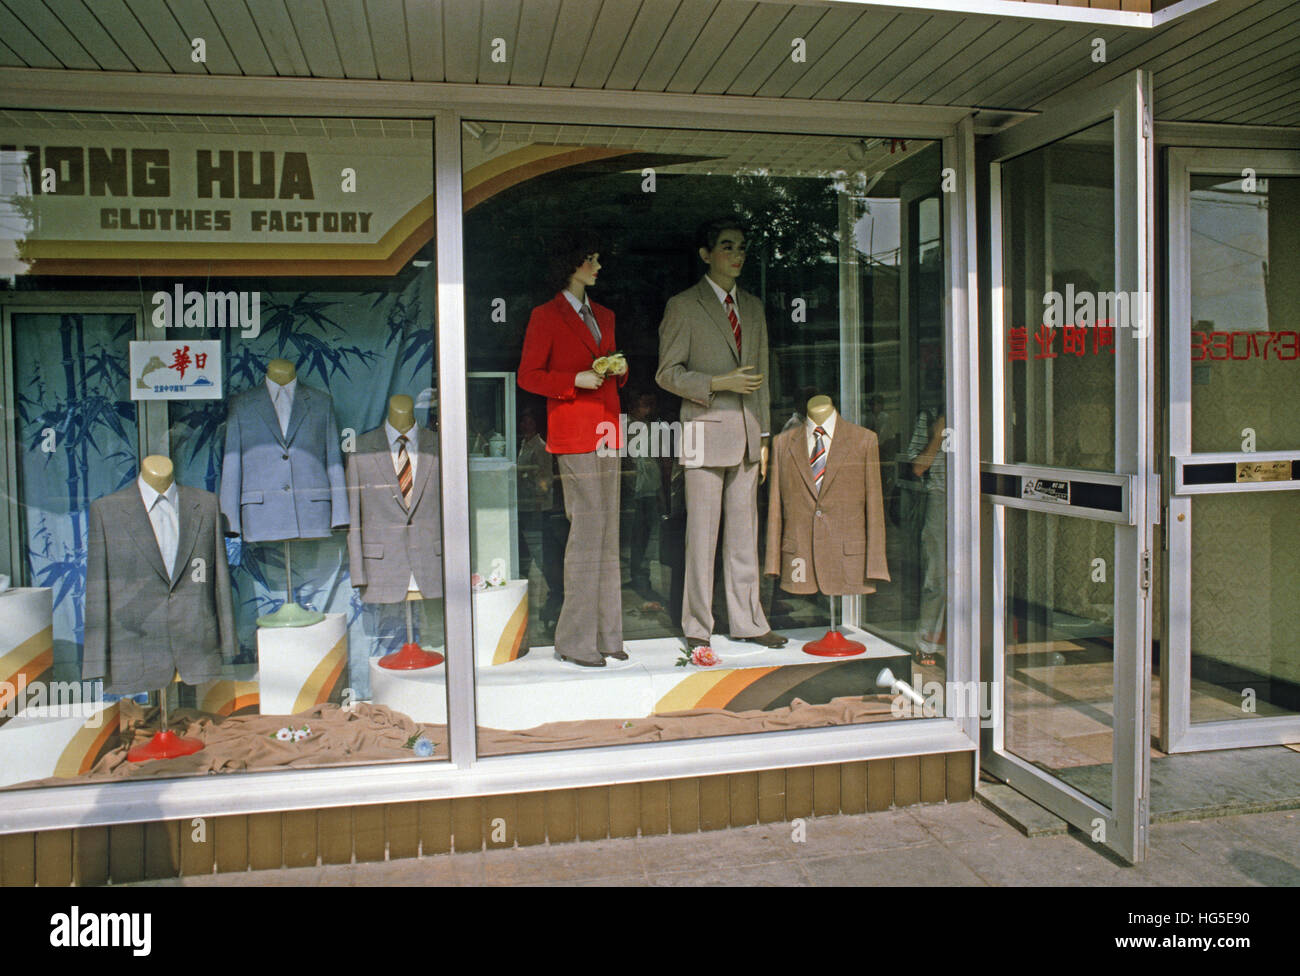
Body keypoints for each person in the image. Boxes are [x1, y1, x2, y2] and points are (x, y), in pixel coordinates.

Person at [655, 217, 786, 651]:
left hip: (749, 435)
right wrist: (717, 383)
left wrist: (764, 437)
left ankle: (748, 621)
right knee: (701, 537)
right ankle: (697, 627)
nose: (738, 254)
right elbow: (666, 374)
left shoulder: (752, 306)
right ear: (706, 254)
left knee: (744, 536)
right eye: (728, 246)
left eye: (742, 247)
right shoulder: (683, 305)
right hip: (704, 433)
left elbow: (762, 376)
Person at [517, 231, 628, 667]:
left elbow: (608, 373)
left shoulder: (604, 314)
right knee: (586, 534)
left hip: (607, 431)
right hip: (574, 432)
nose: (598, 266)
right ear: (570, 263)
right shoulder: (545, 315)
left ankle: (607, 634)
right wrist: (571, 382)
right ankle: (575, 640)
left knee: (607, 534)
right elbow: (529, 375)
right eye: (591, 258)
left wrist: (620, 369)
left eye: (598, 258)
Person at [908, 407, 946, 666]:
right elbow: (918, 467)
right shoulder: (929, 415)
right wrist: (937, 436)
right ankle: (926, 644)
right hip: (941, 498)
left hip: (983, 498)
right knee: (938, 575)